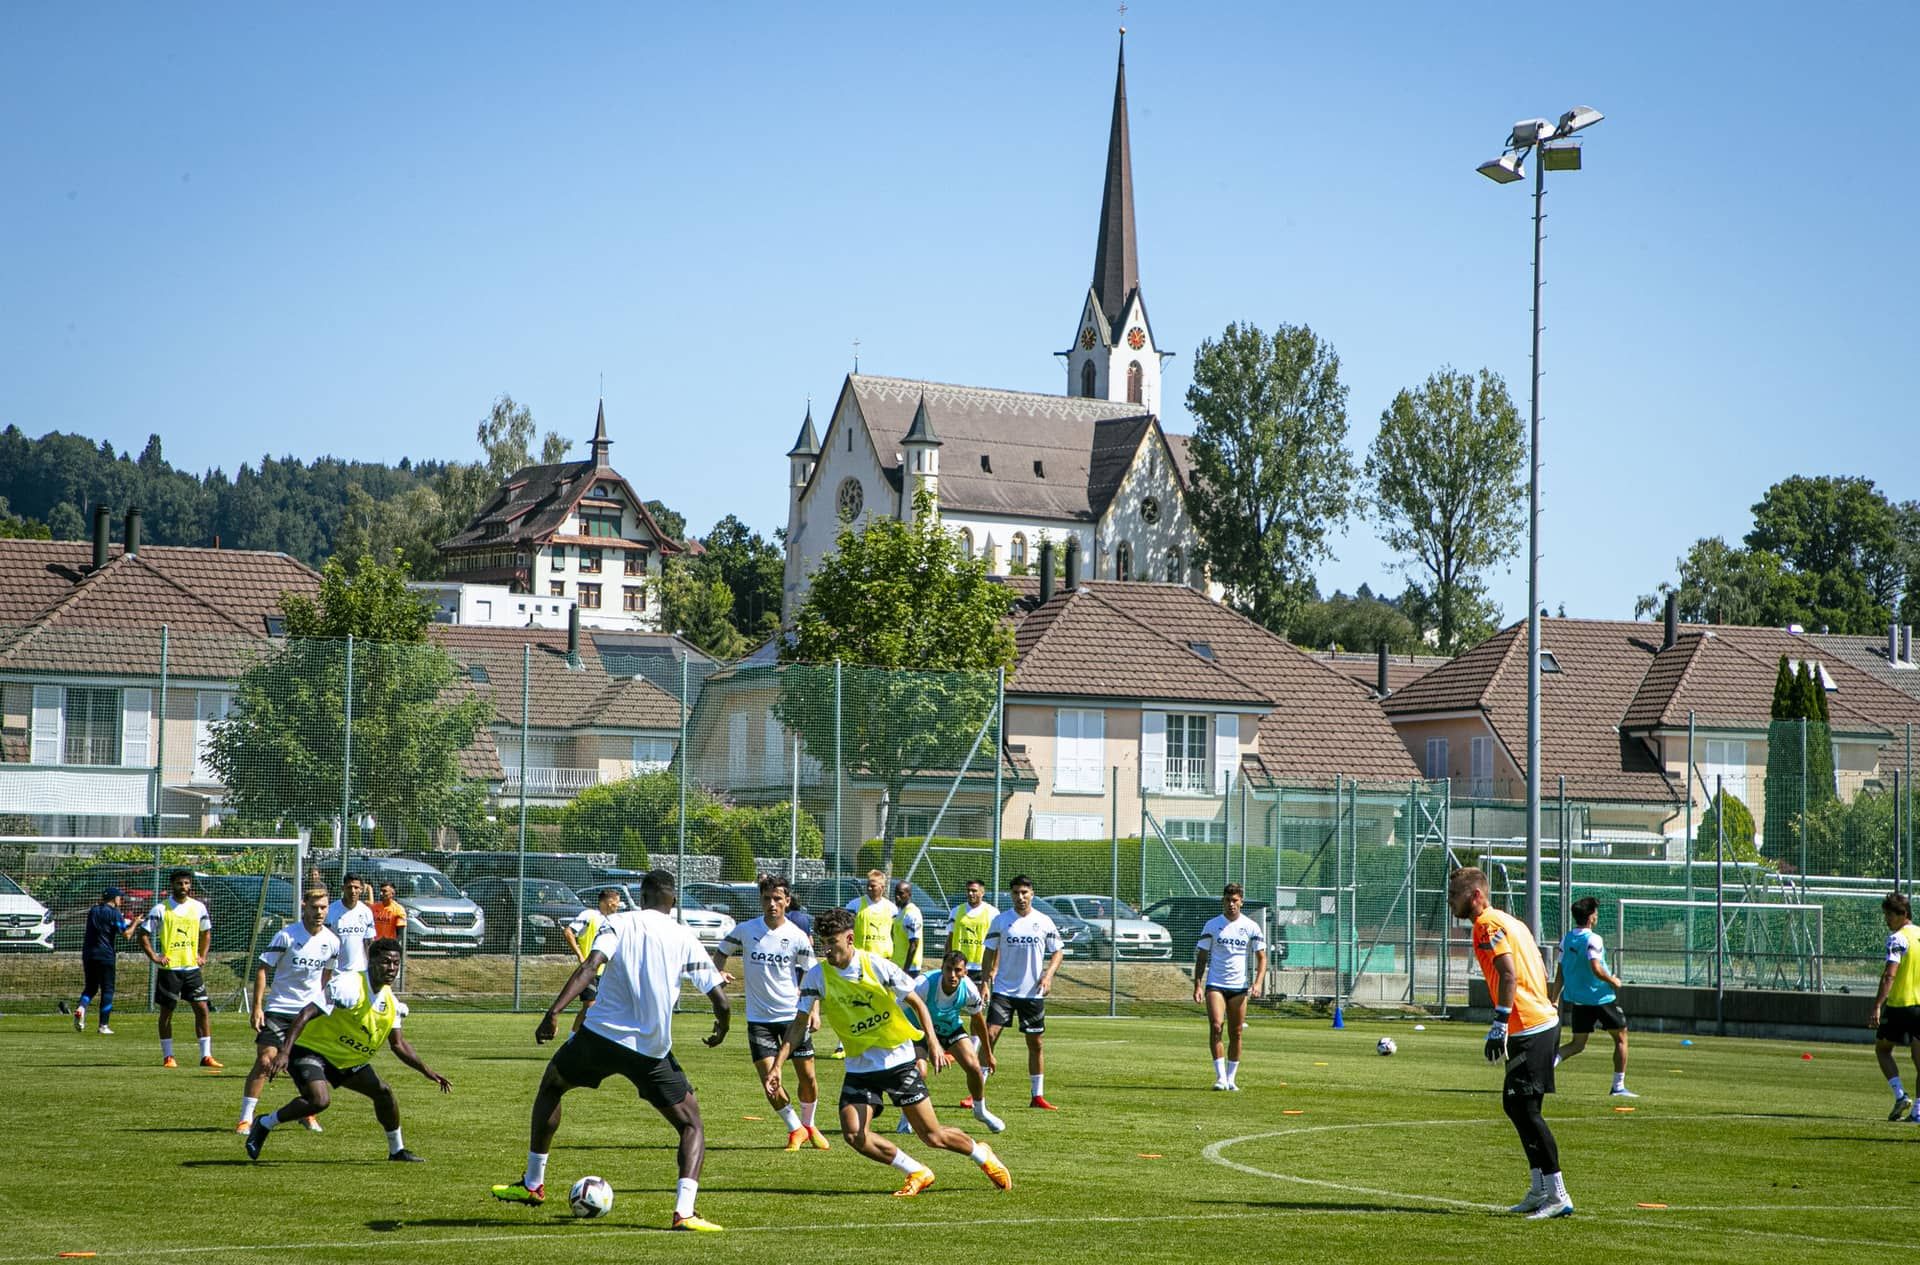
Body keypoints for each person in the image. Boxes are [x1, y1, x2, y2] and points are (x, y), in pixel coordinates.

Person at [491, 869, 730, 1232]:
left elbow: (590, 966)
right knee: (691, 1124)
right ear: (673, 900)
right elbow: (720, 1000)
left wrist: (553, 1012)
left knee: (553, 1085)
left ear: (642, 895)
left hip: (599, 1037)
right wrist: (721, 1028)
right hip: (650, 1049)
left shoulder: (619, 923)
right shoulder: (685, 937)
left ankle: (533, 1183)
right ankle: (684, 1212)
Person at [767, 907, 1011, 1197]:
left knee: (932, 1136)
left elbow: (918, 1003)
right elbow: (799, 1025)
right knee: (855, 1134)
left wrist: (932, 1042)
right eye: (823, 943)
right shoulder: (816, 977)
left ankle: (983, 1155)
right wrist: (778, 1065)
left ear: (849, 938)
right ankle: (916, 1171)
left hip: (898, 1062)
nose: (827, 949)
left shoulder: (876, 966)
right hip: (860, 1068)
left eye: (832, 942)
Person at [247, 938, 449, 1162]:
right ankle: (264, 1123)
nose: (391, 968)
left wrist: (426, 1070)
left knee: (383, 1093)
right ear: (371, 961)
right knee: (319, 1101)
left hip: (346, 1061)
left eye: (395, 963)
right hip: (311, 1050)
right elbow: (305, 1013)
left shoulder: (390, 1001)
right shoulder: (349, 985)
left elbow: (398, 1044)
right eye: (385, 962)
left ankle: (397, 1151)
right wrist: (284, 1051)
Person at [1448, 867, 1572, 1219]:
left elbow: (1507, 972)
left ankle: (1558, 1194)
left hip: (1529, 1025)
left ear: (1474, 896)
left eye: (1454, 896)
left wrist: (1500, 1022)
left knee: (1526, 1110)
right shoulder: (1509, 920)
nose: (1450, 903)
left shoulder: (1486, 924)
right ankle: (1539, 1189)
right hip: (1540, 1021)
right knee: (1517, 1106)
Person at [714, 874, 830, 1151]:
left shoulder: (797, 936)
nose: (772, 904)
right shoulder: (745, 930)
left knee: (808, 1078)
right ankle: (795, 1129)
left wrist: (815, 1010)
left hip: (793, 1017)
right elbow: (721, 951)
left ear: (787, 901)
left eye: (778, 899)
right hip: (759, 1021)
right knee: (770, 1080)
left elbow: (812, 975)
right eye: (767, 898)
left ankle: (809, 1123)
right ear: (761, 900)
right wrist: (717, 971)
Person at [238, 885, 340, 1135]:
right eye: (314, 907)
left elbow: (326, 977)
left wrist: (324, 1008)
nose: (319, 912)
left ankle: (308, 1112)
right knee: (265, 1061)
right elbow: (263, 969)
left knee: (309, 1066)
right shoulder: (286, 936)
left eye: (324, 907)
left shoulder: (332, 941)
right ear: (304, 906)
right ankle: (246, 1118)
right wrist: (258, 1007)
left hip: (307, 1014)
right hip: (278, 1009)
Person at [980, 874, 1064, 1110]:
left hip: (1033, 993)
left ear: (1032, 894)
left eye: (1024, 893)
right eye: (1016, 893)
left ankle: (1037, 1096)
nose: (1020, 897)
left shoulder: (1044, 921)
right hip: (1004, 991)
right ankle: (977, 1093)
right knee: (990, 1036)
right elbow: (989, 951)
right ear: (1011, 895)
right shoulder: (1001, 920)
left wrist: (1048, 976)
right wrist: (985, 982)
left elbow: (1058, 951)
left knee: (1035, 1043)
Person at [1550, 896, 1635, 1098]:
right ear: (1590, 917)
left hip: (1578, 1000)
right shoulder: (1593, 939)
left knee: (1577, 1045)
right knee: (1621, 1037)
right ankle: (1618, 1086)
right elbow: (1596, 967)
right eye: (1595, 912)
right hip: (1600, 998)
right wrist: (1613, 980)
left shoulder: (1567, 939)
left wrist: (1554, 999)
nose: (1597, 916)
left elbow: (1560, 973)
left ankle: (1545, 1068)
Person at [911, 950, 1002, 1133]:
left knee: (974, 1067)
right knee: (920, 1071)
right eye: (949, 969)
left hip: (949, 1027)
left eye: (958, 970)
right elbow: (900, 1010)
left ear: (965, 972)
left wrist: (989, 1053)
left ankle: (980, 1111)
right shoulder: (923, 984)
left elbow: (978, 1021)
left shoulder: (969, 989)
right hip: (918, 1028)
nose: (952, 975)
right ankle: (909, 1119)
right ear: (942, 968)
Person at [137, 869, 220, 1069]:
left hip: (191, 969)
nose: (183, 887)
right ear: (172, 885)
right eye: (179, 883)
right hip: (170, 969)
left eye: (186, 883)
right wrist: (155, 957)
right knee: (167, 1012)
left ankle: (206, 1056)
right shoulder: (161, 909)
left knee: (202, 1009)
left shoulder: (198, 907)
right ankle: (168, 1056)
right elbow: (143, 935)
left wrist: (203, 955)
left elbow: (206, 933)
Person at [1194, 883, 1267, 1092]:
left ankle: (1231, 1078)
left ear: (1241, 902)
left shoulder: (1251, 926)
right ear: (1222, 901)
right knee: (1217, 1026)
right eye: (1227, 900)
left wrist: (1258, 982)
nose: (1231, 904)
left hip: (1239, 987)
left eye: (1235, 900)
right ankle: (1220, 1078)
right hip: (1215, 984)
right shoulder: (1212, 925)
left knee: (1236, 1032)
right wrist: (1198, 985)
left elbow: (1262, 957)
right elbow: (1201, 957)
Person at [1868, 891, 1920, 1123]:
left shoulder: (1898, 938)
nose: (1886, 920)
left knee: (1882, 1049)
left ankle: (1900, 1095)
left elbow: (1889, 975)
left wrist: (1878, 1005)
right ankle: (1917, 1112)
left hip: (1900, 1006)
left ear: (1903, 914)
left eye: (1889, 915)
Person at [74, 886, 134, 1035]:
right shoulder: (114, 913)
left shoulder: (94, 910)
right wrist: (136, 923)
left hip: (89, 954)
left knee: (91, 987)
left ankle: (81, 1008)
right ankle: (103, 1025)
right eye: (119, 897)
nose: (121, 899)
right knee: (107, 989)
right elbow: (126, 935)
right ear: (114, 899)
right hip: (105, 955)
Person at [562, 887, 621, 1035]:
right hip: (590, 971)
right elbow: (569, 932)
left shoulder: (615, 921)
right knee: (590, 1005)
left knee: (607, 1007)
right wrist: (580, 956)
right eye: (616, 902)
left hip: (607, 973)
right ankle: (573, 1036)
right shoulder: (589, 915)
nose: (618, 906)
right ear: (608, 902)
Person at [946, 879, 999, 985]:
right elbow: (949, 939)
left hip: (981, 967)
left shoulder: (993, 913)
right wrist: (946, 962)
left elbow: (998, 944)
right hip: (958, 965)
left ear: (982, 893)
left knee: (980, 1000)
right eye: (968, 890)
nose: (970, 893)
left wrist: (994, 968)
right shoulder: (956, 911)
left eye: (974, 891)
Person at [327, 874, 377, 974]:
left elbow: (369, 942)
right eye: (349, 887)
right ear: (343, 888)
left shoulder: (366, 912)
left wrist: (372, 967)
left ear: (361, 889)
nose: (353, 891)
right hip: (336, 971)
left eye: (356, 887)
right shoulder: (330, 910)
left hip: (360, 970)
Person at [846, 870, 898, 958]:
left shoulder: (891, 908)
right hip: (860, 958)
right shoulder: (855, 905)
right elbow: (846, 930)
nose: (869, 888)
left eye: (873, 886)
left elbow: (894, 933)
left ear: (882, 887)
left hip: (883, 959)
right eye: (868, 885)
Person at [892, 880, 925, 977]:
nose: (897, 896)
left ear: (909, 895)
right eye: (896, 893)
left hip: (909, 968)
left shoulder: (912, 914)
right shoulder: (901, 912)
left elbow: (914, 944)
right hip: (898, 964)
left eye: (901, 893)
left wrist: (905, 971)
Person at [370, 881, 408, 948]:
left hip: (389, 945)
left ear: (392, 894)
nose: (381, 893)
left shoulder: (399, 910)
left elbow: (400, 933)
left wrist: (393, 946)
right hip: (375, 945)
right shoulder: (373, 908)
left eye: (384, 891)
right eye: (380, 891)